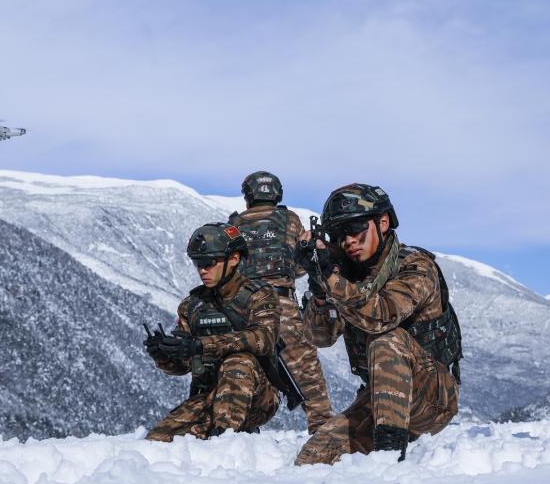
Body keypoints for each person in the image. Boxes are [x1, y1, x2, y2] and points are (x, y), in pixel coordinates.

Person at [294, 184, 461, 465]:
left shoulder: (416, 267)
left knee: (387, 339)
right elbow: (320, 337)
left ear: (382, 223)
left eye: (356, 228)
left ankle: (389, 459)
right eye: (339, 234)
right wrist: (321, 293)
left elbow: (380, 316)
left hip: (432, 399)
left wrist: (332, 282)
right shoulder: (345, 277)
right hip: (382, 399)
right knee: (314, 457)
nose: (348, 241)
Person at [145, 222, 281, 441]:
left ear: (234, 259)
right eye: (198, 263)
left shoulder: (260, 295)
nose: (202, 270)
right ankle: (216, 430)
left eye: (209, 263)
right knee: (157, 441)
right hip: (209, 397)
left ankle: (225, 442)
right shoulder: (192, 305)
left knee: (239, 361)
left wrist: (202, 344)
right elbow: (183, 366)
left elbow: (264, 339)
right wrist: (163, 354)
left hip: (257, 398)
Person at [228, 171, 334, 433]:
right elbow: (299, 264)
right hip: (281, 304)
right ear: (277, 193)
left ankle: (236, 429)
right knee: (304, 367)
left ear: (248, 194)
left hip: (243, 305)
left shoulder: (232, 225)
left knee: (243, 365)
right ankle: (322, 430)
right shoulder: (289, 220)